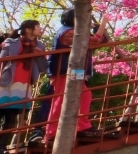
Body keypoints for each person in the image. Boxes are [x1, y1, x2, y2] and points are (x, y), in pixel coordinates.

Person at [46, 8, 108, 141]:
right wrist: (103, 24)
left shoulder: (73, 31)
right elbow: (94, 41)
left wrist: (96, 27)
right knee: (62, 99)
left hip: (75, 70)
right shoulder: (68, 32)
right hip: (65, 71)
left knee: (83, 95)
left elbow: (101, 41)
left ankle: (81, 125)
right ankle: (52, 131)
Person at [0, 20, 47, 152]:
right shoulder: (11, 42)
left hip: (23, 84)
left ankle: (1, 145)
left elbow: (43, 68)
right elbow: (1, 62)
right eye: (37, 26)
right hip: (6, 82)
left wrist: (39, 55)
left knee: (12, 116)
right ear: (28, 29)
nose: (40, 29)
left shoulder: (40, 46)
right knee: (0, 112)